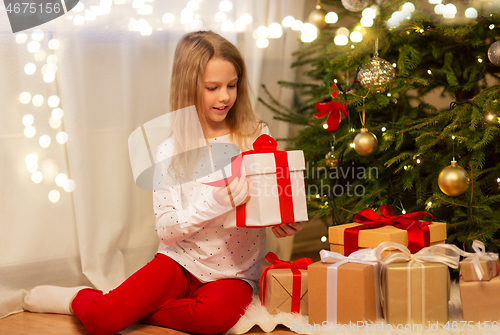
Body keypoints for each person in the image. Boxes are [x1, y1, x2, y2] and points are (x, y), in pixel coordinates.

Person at [23, 30, 303, 335]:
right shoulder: (169, 151)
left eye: (232, 85)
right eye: (213, 87)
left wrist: (280, 220)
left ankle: (130, 308)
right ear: (189, 87)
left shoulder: (256, 137)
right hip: (179, 261)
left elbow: (266, 204)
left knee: (212, 319)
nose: (225, 96)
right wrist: (216, 202)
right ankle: (76, 299)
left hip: (234, 274)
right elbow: (167, 230)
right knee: (102, 321)